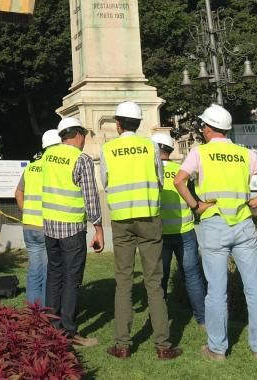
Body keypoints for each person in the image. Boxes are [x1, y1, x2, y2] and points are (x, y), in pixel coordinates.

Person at [174, 104, 257, 361]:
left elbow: (179, 180)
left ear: (207, 128)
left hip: (214, 223)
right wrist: (256, 202)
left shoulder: (199, 153)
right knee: (255, 287)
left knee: (216, 290)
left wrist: (196, 206)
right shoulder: (244, 154)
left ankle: (218, 349)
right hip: (244, 223)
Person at [100, 102, 182, 360]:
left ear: (118, 124)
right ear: (139, 123)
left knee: (123, 281)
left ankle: (122, 344)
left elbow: (105, 181)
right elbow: (159, 179)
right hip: (149, 217)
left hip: (122, 219)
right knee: (154, 281)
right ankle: (163, 345)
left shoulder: (108, 148)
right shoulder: (150, 147)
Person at [42, 116, 104, 347]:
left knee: (54, 275)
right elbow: (91, 198)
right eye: (85, 135)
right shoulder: (82, 160)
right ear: (78, 134)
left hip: (50, 227)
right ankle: (67, 331)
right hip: (71, 228)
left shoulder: (47, 156)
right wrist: (98, 228)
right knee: (71, 279)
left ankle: (50, 326)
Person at [155, 132, 206, 329]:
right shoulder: (182, 171)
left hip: (160, 234)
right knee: (192, 275)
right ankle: (202, 319)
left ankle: (158, 319)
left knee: (160, 277)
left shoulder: (152, 172)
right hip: (185, 231)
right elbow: (194, 199)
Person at [15, 129, 60, 306]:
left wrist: (27, 212)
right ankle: (47, 311)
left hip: (29, 226)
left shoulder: (31, 168)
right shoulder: (54, 168)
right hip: (47, 226)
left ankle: (33, 311)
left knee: (34, 269)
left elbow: (18, 193)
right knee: (50, 271)